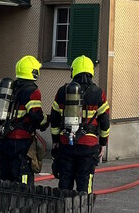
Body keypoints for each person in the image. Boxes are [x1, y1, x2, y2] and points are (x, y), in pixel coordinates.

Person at [48, 55, 110, 193]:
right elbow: (105, 121)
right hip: (88, 146)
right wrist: (103, 143)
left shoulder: (62, 91)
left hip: (66, 144)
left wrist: (55, 141)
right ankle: (83, 207)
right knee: (85, 183)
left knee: (65, 182)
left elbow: (55, 119)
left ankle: (64, 207)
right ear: (91, 71)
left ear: (73, 71)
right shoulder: (98, 93)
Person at [0, 55, 47, 186]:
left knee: (4, 180)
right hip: (21, 143)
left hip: (5, 140)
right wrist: (46, 120)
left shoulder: (11, 88)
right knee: (23, 182)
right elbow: (36, 116)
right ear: (34, 72)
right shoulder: (33, 91)